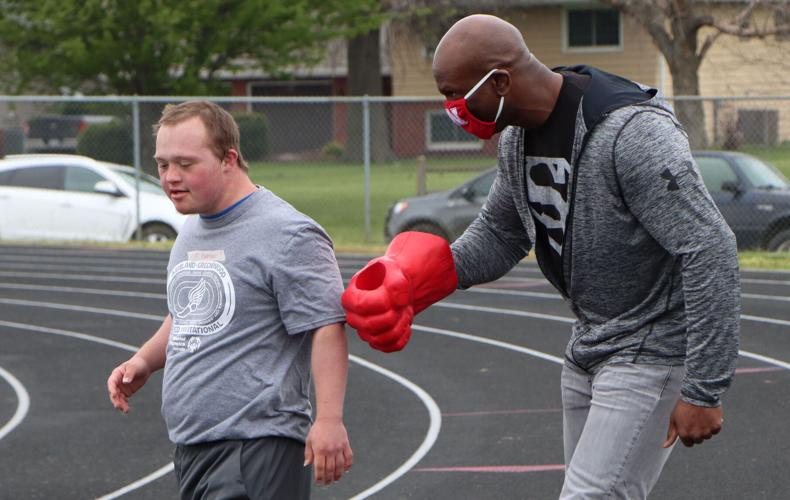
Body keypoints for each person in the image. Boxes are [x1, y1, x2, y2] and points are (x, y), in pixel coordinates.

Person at [342, 13, 739, 499]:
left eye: (455, 94)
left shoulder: (630, 132)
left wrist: (703, 387)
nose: (452, 108)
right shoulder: (517, 139)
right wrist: (419, 280)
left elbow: (708, 246)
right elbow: (501, 234)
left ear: (501, 80)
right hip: (590, 345)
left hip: (650, 349)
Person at [107, 100, 352, 499]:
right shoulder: (191, 230)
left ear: (228, 159)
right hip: (194, 447)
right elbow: (185, 315)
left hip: (257, 446)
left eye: (185, 164)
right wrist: (144, 361)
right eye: (163, 164)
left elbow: (326, 325)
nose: (170, 177)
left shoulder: (288, 234)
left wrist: (329, 420)